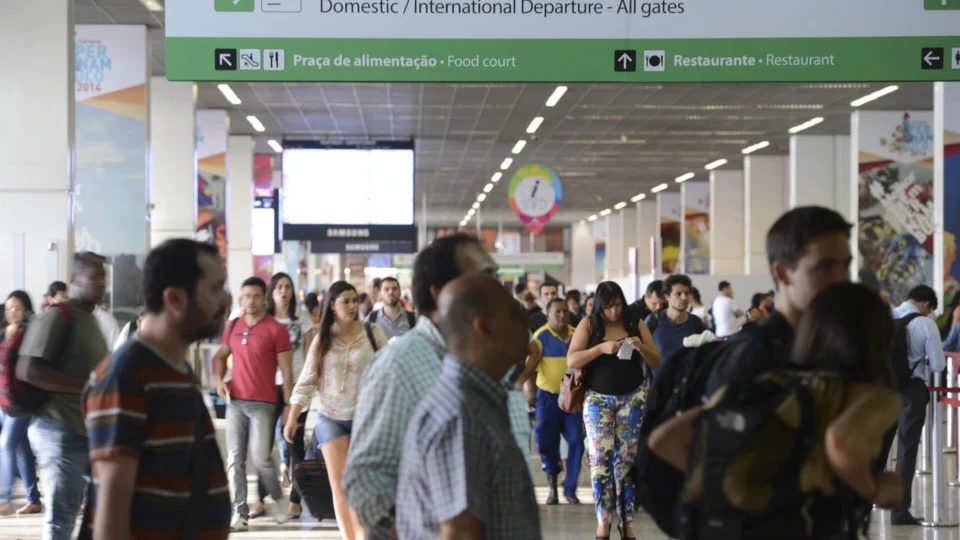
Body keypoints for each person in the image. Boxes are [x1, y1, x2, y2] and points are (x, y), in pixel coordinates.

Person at [649, 282, 903, 539]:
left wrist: (730, 488)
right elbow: (841, 442)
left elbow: (664, 440)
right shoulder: (872, 397)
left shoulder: (770, 384)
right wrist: (875, 489)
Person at [343, 233, 531, 540]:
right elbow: (367, 479)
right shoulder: (399, 367)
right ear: (444, 293)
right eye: (486, 278)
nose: (499, 289)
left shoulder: (497, 365)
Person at [82, 239, 231, 539]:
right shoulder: (125, 377)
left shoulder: (174, 367)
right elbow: (111, 515)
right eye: (215, 289)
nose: (226, 300)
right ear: (175, 299)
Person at [396, 276, 542, 540]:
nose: (527, 322)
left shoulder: (481, 401)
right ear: (483, 327)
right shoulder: (460, 417)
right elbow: (460, 533)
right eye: (513, 315)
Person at [706, 206, 853, 396]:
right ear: (782, 273)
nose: (843, 278)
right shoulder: (752, 357)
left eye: (847, 265)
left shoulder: (840, 346)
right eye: (825, 267)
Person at [283, 281, 387, 539]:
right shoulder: (322, 339)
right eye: (345, 301)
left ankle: (364, 534)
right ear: (332, 304)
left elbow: (389, 370)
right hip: (331, 420)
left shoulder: (372, 332)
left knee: (362, 485)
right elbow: (306, 381)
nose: (352, 306)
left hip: (367, 419)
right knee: (339, 486)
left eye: (354, 300)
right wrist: (293, 416)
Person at [18, 252, 109, 540]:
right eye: (94, 277)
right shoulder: (58, 315)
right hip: (59, 431)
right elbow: (28, 369)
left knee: (99, 510)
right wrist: (86, 386)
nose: (102, 283)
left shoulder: (91, 320)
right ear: (74, 281)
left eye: (103, 277)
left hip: (87, 432)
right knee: (62, 518)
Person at [568, 281, 661, 540]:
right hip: (598, 401)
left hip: (632, 400)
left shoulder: (635, 321)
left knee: (627, 466)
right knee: (600, 464)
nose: (614, 311)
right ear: (600, 306)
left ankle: (627, 522)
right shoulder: (589, 324)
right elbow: (572, 359)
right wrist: (600, 349)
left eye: (618, 304)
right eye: (608, 307)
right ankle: (603, 521)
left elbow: (656, 360)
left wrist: (640, 347)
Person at [212, 276, 293, 531]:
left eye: (256, 296)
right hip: (235, 401)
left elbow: (287, 371)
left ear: (265, 299)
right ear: (241, 298)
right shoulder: (233, 325)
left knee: (261, 458)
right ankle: (240, 513)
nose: (251, 300)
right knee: (235, 459)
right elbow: (220, 355)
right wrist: (218, 379)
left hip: (264, 403)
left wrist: (290, 405)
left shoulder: (276, 330)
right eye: (246, 296)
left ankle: (278, 498)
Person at [887, 285, 946, 525]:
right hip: (911, 391)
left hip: (883, 390)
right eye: (930, 309)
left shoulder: (887, 316)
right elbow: (938, 366)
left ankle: (860, 507)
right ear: (926, 304)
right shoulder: (925, 324)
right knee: (906, 450)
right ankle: (899, 512)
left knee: (877, 448)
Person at [519, 298, 583, 506]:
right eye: (557, 312)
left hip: (572, 398)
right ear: (547, 315)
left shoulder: (578, 335)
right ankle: (552, 484)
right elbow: (530, 369)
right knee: (545, 442)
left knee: (576, 441)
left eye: (565, 312)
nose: (562, 316)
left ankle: (571, 489)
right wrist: (529, 392)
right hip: (548, 398)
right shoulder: (540, 338)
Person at [259, 272, 313, 519]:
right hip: (269, 386)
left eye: (288, 287)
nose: (284, 291)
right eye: (279, 287)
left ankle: (295, 499)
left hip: (298, 386)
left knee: (294, 443)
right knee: (263, 442)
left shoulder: (301, 317)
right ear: (271, 291)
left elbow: (312, 348)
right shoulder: (264, 318)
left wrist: (313, 380)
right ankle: (259, 498)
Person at [0, 291, 41, 516]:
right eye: (9, 308)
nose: (12, 312)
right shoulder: (4, 332)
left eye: (16, 307)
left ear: (25, 308)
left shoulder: (28, 333)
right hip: (4, 400)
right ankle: (33, 499)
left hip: (20, 401)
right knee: (20, 448)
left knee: (6, 444)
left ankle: (4, 500)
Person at [645, 274, 705, 377]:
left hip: (686, 386)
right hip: (659, 386)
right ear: (667, 296)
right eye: (678, 293)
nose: (684, 297)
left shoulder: (695, 323)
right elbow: (641, 353)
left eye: (687, 293)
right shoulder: (653, 321)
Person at [366, 276, 415, 341]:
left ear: (400, 292)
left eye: (394, 289)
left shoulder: (412, 319)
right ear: (380, 294)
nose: (391, 292)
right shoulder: (370, 319)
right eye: (386, 289)